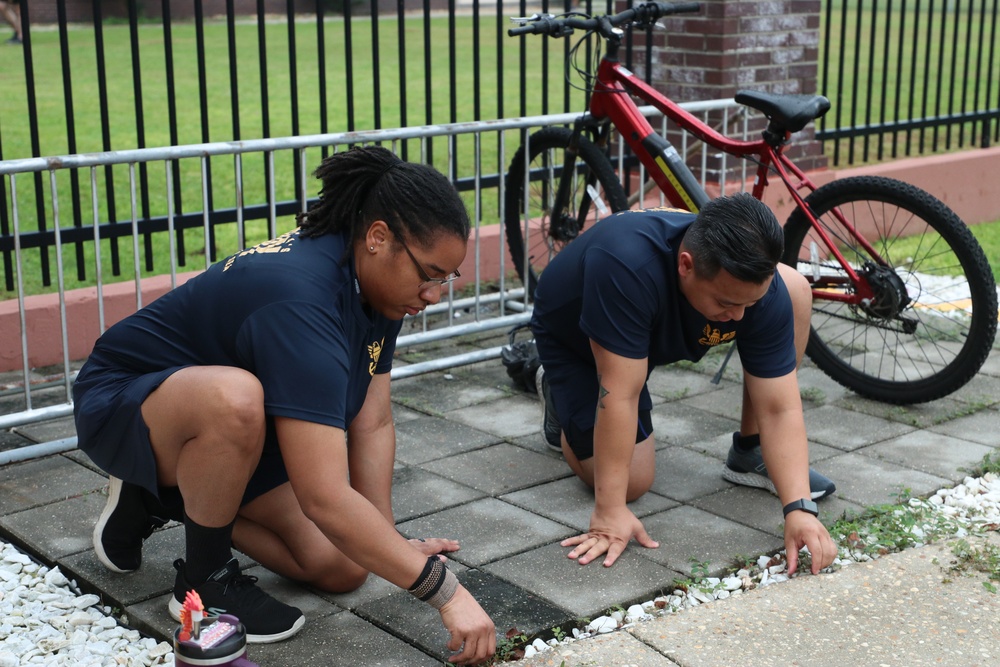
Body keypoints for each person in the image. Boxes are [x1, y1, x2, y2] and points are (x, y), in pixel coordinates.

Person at [73, 146, 496, 663]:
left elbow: (374, 420)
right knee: (236, 398)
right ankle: (206, 579)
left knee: (344, 567)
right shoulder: (303, 299)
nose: (434, 295)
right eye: (431, 274)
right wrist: (446, 593)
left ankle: (164, 496)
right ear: (379, 237)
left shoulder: (379, 283)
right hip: (127, 402)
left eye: (446, 279)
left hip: (241, 434)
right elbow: (323, 496)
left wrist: (390, 541)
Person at [530, 193, 838, 572]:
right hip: (578, 337)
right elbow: (620, 395)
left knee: (791, 290)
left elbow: (779, 406)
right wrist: (610, 513)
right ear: (686, 265)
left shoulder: (749, 287)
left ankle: (750, 451)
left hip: (653, 322)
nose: (739, 316)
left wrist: (799, 509)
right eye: (728, 302)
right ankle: (559, 395)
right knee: (631, 483)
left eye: (748, 304)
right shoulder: (625, 264)